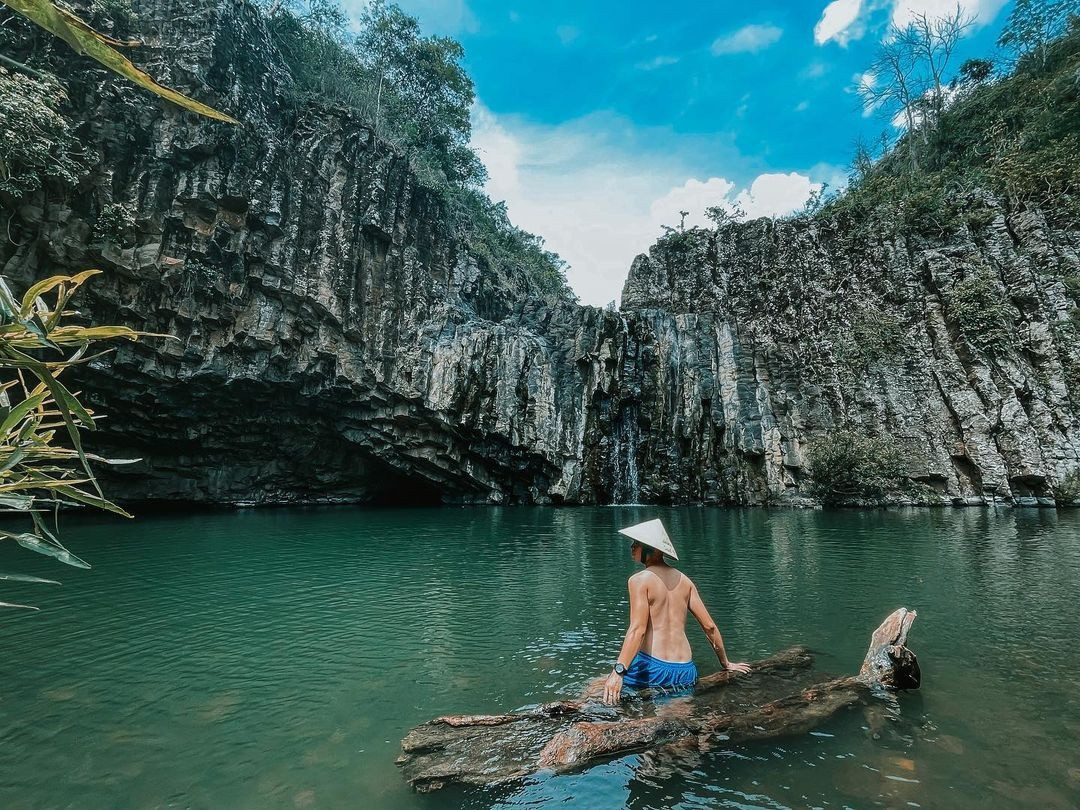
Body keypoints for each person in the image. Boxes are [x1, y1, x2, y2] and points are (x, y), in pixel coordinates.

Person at [602, 519, 751, 705]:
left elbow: (637, 630)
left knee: (596, 687)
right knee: (677, 714)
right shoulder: (685, 581)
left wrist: (618, 671)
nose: (632, 547)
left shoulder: (639, 580)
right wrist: (726, 663)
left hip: (656, 669)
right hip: (686, 671)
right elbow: (710, 627)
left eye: (636, 543)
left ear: (650, 549)